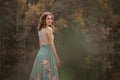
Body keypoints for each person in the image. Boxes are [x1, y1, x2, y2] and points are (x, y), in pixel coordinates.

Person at [29, 12, 60, 80]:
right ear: (44, 20)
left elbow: (40, 44)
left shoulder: (40, 30)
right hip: (48, 53)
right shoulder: (49, 29)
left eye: (51, 19)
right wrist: (57, 58)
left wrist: (43, 53)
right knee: (48, 75)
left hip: (40, 54)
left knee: (40, 75)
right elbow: (51, 44)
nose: (50, 20)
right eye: (48, 19)